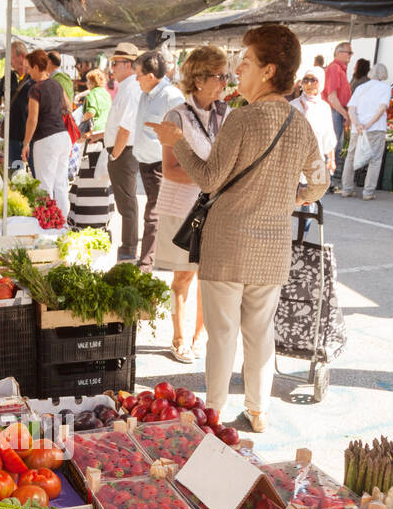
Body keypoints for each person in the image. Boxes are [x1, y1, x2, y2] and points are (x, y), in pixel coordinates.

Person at [147, 23, 329, 433]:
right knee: (259, 333)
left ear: (268, 71)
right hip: (273, 247)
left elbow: (209, 178)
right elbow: (318, 184)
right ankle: (258, 411)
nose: (237, 71)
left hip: (228, 243)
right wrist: (292, 196)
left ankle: (213, 412)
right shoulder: (299, 123)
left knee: (222, 334)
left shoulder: (241, 120)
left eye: (245, 62)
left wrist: (177, 140)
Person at [154, 45, 229, 364]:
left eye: (226, 75)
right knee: (184, 276)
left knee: (208, 278)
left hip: (217, 208)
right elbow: (170, 170)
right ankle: (178, 337)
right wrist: (212, 178)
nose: (225, 82)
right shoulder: (176, 117)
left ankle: (200, 336)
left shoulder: (227, 114)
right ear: (198, 79)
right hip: (181, 208)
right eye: (219, 76)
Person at [133, 50, 184, 270]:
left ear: (151, 76)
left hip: (161, 165)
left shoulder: (171, 97)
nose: (136, 79)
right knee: (157, 211)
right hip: (145, 164)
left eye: (138, 74)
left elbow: (182, 134)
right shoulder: (146, 94)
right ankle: (158, 257)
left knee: (154, 213)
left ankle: (148, 261)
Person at [100, 42, 141, 262]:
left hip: (124, 152)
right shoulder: (127, 87)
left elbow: (125, 128)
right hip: (122, 151)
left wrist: (115, 154)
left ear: (128, 65)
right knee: (125, 201)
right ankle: (128, 245)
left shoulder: (131, 88)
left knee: (127, 202)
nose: (112, 68)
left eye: (115, 64)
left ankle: (128, 247)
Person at [22, 49, 71, 217]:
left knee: (45, 184)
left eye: (29, 68)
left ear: (36, 67)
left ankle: (47, 223)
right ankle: (63, 222)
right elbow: (69, 106)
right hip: (63, 137)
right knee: (61, 184)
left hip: (46, 139)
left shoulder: (35, 89)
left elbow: (32, 119)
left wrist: (26, 143)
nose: (28, 71)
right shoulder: (57, 84)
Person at [340, 62, 392, 201]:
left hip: (358, 130)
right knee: (375, 160)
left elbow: (351, 108)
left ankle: (346, 188)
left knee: (350, 156)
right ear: (384, 74)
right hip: (375, 128)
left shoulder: (361, 88)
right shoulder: (385, 88)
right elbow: (382, 109)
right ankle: (368, 192)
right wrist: (368, 124)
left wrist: (357, 124)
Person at [0, 40, 32, 169]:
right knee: (15, 171)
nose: (9, 62)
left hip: (32, 134)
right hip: (13, 132)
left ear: (22, 57)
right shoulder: (9, 77)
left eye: (11, 58)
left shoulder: (34, 75)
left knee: (37, 172)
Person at [293, 69, 337, 178]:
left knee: (314, 192)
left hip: (315, 160)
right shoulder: (293, 106)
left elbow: (328, 135)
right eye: (305, 80)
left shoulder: (324, 107)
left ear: (320, 82)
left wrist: (331, 159)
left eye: (313, 80)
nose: (308, 84)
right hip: (294, 159)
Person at [322, 41, 353, 178]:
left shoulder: (340, 69)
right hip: (334, 112)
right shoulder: (334, 68)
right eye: (349, 52)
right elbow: (332, 97)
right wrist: (345, 114)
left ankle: (327, 180)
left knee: (334, 147)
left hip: (337, 112)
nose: (351, 55)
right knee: (331, 147)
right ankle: (326, 180)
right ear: (338, 53)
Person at [76, 68, 111, 134]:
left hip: (93, 130)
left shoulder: (91, 94)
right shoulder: (106, 94)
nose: (87, 83)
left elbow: (90, 112)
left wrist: (82, 120)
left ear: (92, 82)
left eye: (88, 81)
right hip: (105, 129)